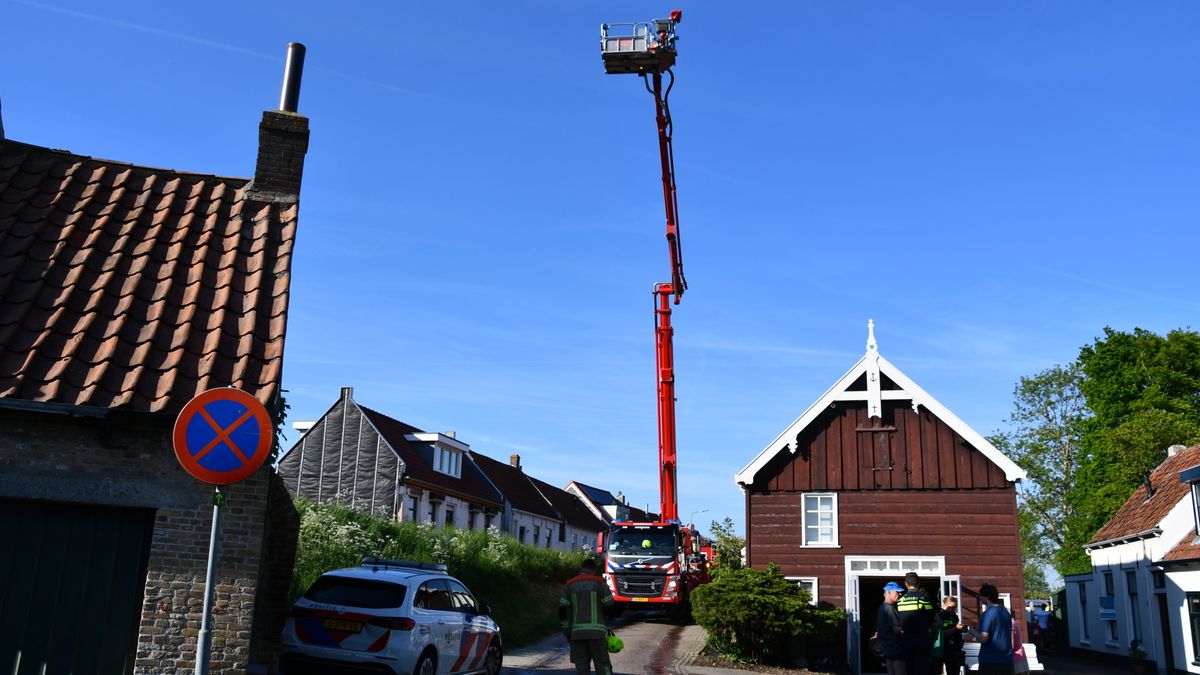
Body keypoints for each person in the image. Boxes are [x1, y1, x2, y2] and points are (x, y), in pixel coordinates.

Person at [559, 558, 616, 675]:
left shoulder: (570, 584)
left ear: (581, 568)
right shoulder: (600, 583)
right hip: (597, 635)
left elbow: (562, 610)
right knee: (603, 666)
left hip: (577, 635)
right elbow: (610, 609)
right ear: (593, 569)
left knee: (582, 669)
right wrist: (606, 623)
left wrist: (566, 629)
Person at [897, 572, 935, 675]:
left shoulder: (900, 601)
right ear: (918, 583)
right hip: (921, 638)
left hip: (906, 638)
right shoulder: (924, 599)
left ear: (906, 584)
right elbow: (932, 617)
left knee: (909, 668)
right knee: (921, 668)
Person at [977, 583, 1014, 675]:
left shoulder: (988, 614)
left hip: (990, 660)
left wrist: (971, 630)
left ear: (986, 596)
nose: (979, 597)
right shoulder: (1006, 612)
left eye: (981, 595)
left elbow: (983, 638)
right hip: (1007, 660)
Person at [872, 581, 907, 675]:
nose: (900, 594)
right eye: (897, 591)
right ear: (888, 592)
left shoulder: (882, 607)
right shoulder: (890, 609)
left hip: (887, 648)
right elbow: (897, 630)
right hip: (896, 648)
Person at [936, 596, 965, 675]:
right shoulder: (940, 616)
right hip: (942, 649)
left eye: (955, 607)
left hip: (954, 649)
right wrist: (956, 628)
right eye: (951, 607)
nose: (953, 609)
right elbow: (941, 634)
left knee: (954, 671)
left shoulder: (954, 616)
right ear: (945, 605)